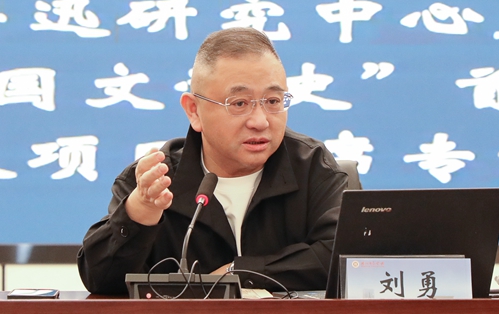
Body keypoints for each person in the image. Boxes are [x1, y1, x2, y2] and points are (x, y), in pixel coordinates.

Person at [77, 27, 347, 295]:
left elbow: (344, 257)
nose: (260, 121)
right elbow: (101, 282)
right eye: (239, 103)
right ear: (194, 111)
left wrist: (238, 273)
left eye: (273, 101)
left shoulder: (312, 166)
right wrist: (140, 212)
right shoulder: (156, 181)